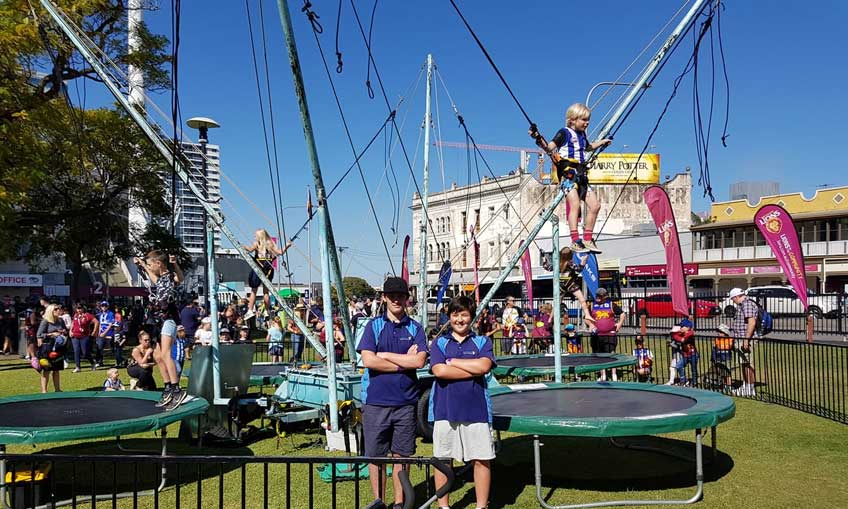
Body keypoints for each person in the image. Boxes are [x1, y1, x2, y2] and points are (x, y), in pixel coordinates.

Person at [356, 277, 428, 509]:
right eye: (392, 295)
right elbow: (369, 360)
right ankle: (379, 502)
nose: (396, 299)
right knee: (376, 457)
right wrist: (402, 363)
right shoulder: (374, 326)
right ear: (384, 298)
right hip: (376, 402)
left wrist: (385, 356)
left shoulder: (416, 328)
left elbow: (419, 361)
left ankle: (399, 502)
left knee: (402, 456)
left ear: (407, 298)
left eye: (401, 295)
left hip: (405, 403)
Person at [429, 295, 496, 509]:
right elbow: (440, 371)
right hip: (445, 411)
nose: (459, 319)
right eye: (455, 315)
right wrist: (472, 369)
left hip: (476, 410)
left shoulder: (482, 341)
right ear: (449, 317)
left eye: (464, 315)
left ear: (471, 317)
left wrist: (453, 362)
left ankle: (481, 506)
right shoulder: (439, 343)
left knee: (481, 459)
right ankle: (443, 506)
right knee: (443, 459)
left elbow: (484, 367)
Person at [531, 103, 612, 253]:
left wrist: (602, 142)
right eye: (584, 120)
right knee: (575, 205)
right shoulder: (564, 133)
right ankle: (575, 240)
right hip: (568, 175)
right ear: (572, 120)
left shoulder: (582, 135)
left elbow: (588, 147)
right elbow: (549, 148)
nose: (587, 123)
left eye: (588, 120)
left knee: (595, 206)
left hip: (581, 175)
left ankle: (587, 239)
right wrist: (537, 137)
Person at [135, 250, 186, 410]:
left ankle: (177, 389)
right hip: (157, 321)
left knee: (165, 354)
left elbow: (180, 278)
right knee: (157, 355)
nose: (150, 267)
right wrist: (143, 264)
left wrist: (174, 264)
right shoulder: (160, 280)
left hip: (168, 318)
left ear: (159, 263)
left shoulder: (170, 277)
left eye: (151, 264)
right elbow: (152, 276)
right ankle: (168, 387)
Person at [242, 229, 293, 320]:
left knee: (254, 291)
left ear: (260, 236)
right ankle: (266, 311)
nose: (254, 237)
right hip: (268, 269)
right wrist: (287, 245)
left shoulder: (257, 244)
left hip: (258, 267)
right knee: (266, 291)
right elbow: (280, 252)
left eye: (256, 235)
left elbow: (250, 250)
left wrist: (243, 246)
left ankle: (250, 310)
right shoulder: (270, 244)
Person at [588, 288, 625, 381]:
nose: (598, 298)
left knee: (611, 354)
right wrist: (590, 325)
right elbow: (586, 317)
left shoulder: (611, 304)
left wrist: (619, 324)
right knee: (599, 355)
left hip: (610, 335)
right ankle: (603, 375)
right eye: (597, 295)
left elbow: (622, 314)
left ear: (604, 297)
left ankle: (613, 374)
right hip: (597, 335)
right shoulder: (592, 305)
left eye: (600, 296)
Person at [729, 287, 758, 397]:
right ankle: (746, 385)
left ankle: (750, 388)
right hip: (740, 338)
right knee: (744, 363)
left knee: (747, 364)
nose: (733, 301)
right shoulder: (743, 305)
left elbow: (751, 322)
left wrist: (746, 339)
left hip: (744, 338)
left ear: (737, 297)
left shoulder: (747, 304)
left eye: (733, 299)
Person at [35, 303, 66, 393]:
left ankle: (57, 389)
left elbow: (65, 330)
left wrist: (63, 331)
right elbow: (39, 335)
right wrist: (51, 334)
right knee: (46, 370)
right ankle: (44, 390)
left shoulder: (60, 320)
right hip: (47, 347)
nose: (58, 310)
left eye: (58, 308)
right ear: (50, 311)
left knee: (56, 369)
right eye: (55, 309)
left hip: (58, 347)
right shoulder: (45, 321)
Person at [70, 303, 98, 372]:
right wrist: (70, 331)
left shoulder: (87, 315)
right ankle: (78, 367)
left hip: (84, 336)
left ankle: (92, 362)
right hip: (75, 336)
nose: (78, 310)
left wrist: (94, 331)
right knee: (76, 351)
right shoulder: (75, 315)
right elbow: (73, 323)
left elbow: (96, 322)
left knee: (85, 352)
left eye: (80, 308)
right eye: (77, 308)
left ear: (83, 308)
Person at [712, 324, 735, 392]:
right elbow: (714, 349)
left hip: (727, 358)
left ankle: (729, 385)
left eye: (720, 332)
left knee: (727, 373)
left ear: (725, 332)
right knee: (721, 372)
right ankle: (724, 384)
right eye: (718, 332)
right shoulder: (717, 339)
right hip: (719, 358)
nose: (719, 333)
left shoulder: (730, 340)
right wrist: (713, 358)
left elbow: (732, 348)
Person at [677, 318, 699, 386]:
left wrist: (681, 337)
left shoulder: (690, 333)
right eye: (681, 326)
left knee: (693, 369)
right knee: (679, 365)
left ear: (688, 327)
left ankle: (695, 382)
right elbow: (674, 335)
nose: (681, 328)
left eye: (682, 326)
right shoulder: (681, 334)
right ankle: (683, 380)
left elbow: (688, 336)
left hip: (693, 355)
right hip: (685, 355)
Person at [95, 301, 116, 369]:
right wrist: (99, 332)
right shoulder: (100, 314)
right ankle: (99, 361)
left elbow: (110, 324)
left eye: (105, 306)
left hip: (108, 333)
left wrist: (105, 333)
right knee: (99, 347)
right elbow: (100, 324)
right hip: (101, 333)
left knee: (112, 347)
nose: (104, 307)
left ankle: (119, 360)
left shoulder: (110, 314)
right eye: (102, 306)